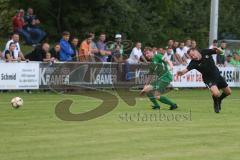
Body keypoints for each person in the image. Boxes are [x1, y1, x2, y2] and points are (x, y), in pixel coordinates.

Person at [177, 48, 231, 113]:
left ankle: (219, 100)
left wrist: (218, 49)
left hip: (217, 75)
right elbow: (186, 70)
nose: (193, 57)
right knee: (216, 93)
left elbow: (221, 52)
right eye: (191, 56)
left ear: (196, 51)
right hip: (208, 79)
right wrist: (181, 73)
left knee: (228, 92)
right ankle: (216, 103)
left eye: (193, 55)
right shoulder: (193, 62)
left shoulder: (205, 51)